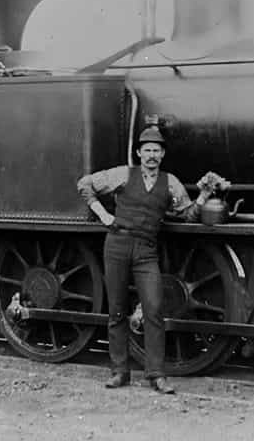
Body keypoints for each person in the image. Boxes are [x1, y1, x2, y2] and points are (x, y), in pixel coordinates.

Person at [76, 126, 210, 394]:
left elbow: (186, 214)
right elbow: (84, 184)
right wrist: (103, 215)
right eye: (147, 150)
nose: (151, 155)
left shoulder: (170, 182)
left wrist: (204, 195)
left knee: (154, 308)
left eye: (156, 151)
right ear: (139, 152)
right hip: (117, 245)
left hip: (146, 251)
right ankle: (119, 372)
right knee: (116, 309)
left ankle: (156, 375)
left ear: (162, 155)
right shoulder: (123, 174)